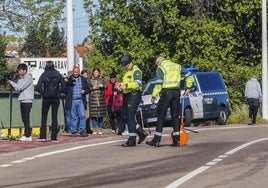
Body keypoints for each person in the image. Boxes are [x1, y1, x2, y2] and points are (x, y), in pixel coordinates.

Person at [146, 55, 182, 147]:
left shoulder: (161, 68)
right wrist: (189, 87)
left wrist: (154, 95)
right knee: (175, 116)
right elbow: (189, 75)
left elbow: (159, 84)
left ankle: (156, 140)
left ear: (158, 62)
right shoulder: (177, 66)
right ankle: (177, 140)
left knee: (161, 115)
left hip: (167, 92)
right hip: (177, 92)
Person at [119, 54, 148, 147]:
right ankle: (141, 132)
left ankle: (132, 140)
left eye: (126, 64)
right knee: (124, 117)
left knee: (130, 116)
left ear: (131, 62)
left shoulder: (136, 71)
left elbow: (138, 83)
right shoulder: (126, 72)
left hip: (134, 95)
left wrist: (126, 86)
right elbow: (125, 83)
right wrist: (120, 86)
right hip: (126, 95)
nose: (124, 66)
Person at [36, 60, 66, 142]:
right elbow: (64, 87)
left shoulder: (44, 74)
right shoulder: (58, 74)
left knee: (44, 116)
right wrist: (58, 92)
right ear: (53, 66)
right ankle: (54, 137)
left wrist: (44, 93)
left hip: (46, 98)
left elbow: (38, 87)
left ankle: (43, 136)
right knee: (54, 117)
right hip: (56, 98)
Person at [7, 64, 34, 141]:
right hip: (22, 99)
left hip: (27, 100)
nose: (19, 72)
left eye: (20, 70)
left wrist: (11, 82)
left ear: (24, 70)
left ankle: (28, 135)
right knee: (24, 118)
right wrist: (12, 83)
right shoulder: (21, 78)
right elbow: (17, 88)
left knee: (26, 118)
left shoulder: (28, 77)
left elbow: (20, 87)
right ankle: (27, 134)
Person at [65, 66, 90, 137]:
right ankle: (74, 131)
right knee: (73, 116)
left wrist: (84, 91)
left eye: (77, 72)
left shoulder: (83, 79)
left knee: (82, 115)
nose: (76, 73)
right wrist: (66, 82)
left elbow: (88, 89)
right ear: (73, 72)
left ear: (79, 72)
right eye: (75, 72)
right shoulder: (69, 79)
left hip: (80, 100)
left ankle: (82, 130)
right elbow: (65, 89)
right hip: (72, 100)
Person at [89, 67, 107, 135]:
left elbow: (106, 86)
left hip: (100, 98)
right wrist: (92, 88)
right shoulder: (90, 80)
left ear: (99, 73)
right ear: (93, 73)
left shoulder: (102, 79)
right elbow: (88, 88)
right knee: (93, 115)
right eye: (95, 72)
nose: (96, 73)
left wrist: (102, 86)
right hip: (93, 99)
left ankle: (100, 128)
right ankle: (94, 129)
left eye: (97, 72)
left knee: (100, 115)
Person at [81, 69, 93, 134]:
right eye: (84, 74)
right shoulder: (81, 81)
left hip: (89, 100)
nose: (85, 76)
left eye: (86, 74)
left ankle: (87, 128)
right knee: (83, 115)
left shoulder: (88, 81)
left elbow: (89, 89)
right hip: (83, 100)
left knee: (88, 116)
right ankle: (84, 128)